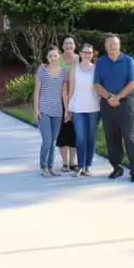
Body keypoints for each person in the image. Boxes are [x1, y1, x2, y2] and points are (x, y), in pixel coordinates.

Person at [93, 33, 134, 182]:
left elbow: (132, 83)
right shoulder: (101, 62)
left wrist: (118, 97)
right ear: (105, 47)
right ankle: (117, 167)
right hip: (107, 105)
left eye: (115, 44)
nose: (112, 47)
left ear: (119, 45)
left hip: (125, 103)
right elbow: (96, 85)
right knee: (112, 137)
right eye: (109, 45)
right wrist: (109, 97)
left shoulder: (128, 61)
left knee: (129, 136)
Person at [33, 46, 69, 177]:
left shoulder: (64, 72)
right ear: (47, 58)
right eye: (50, 56)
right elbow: (37, 92)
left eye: (55, 55)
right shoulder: (42, 70)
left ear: (59, 56)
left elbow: (64, 93)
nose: (53, 58)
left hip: (57, 110)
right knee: (47, 140)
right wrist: (36, 109)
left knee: (53, 141)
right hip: (44, 110)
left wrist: (66, 110)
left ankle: (50, 167)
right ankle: (43, 167)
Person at [67, 41, 102, 176]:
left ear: (92, 54)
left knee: (91, 137)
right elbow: (71, 88)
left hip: (94, 108)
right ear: (80, 53)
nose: (87, 54)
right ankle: (80, 165)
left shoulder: (96, 69)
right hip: (78, 108)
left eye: (90, 52)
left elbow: (100, 88)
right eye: (85, 52)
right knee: (81, 137)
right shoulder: (74, 68)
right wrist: (69, 108)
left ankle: (88, 165)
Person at [55, 35, 79, 172]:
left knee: (75, 131)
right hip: (61, 100)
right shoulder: (57, 60)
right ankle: (64, 163)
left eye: (71, 43)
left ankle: (72, 162)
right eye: (66, 43)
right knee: (64, 130)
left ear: (75, 45)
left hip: (77, 99)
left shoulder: (79, 59)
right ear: (62, 46)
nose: (69, 46)